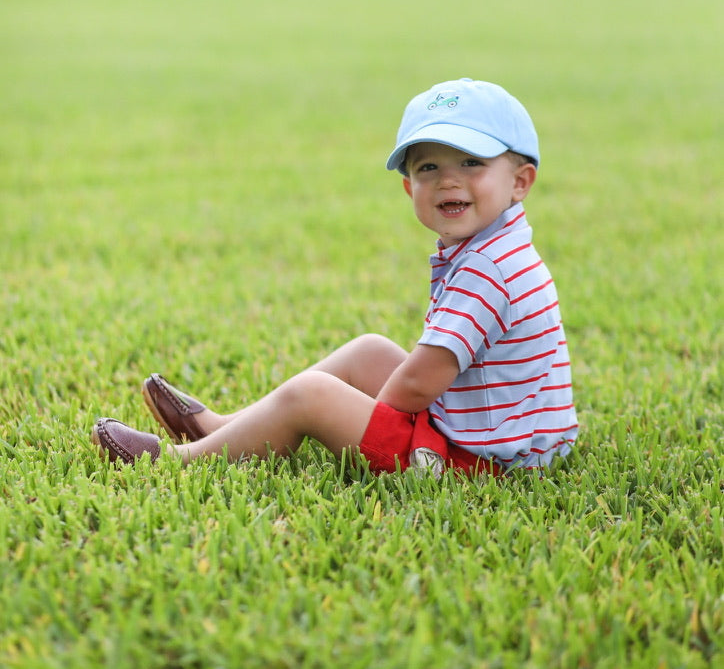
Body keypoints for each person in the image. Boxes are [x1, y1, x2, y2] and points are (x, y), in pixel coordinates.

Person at [92, 78, 578, 476]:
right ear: (409, 187)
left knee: (314, 397)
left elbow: (421, 380)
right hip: (509, 439)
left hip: (480, 462)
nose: (448, 180)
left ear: (520, 181)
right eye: (429, 167)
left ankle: (185, 462)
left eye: (471, 162)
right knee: (368, 350)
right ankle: (231, 426)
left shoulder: (488, 270)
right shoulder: (500, 246)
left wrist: (367, 422)